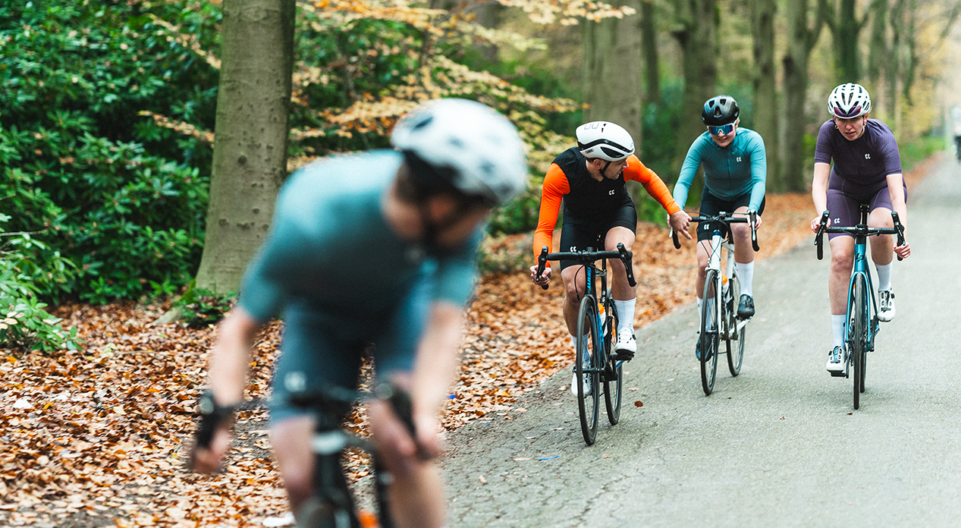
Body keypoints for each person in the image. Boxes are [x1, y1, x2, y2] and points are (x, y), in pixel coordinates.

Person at [188, 99, 527, 528]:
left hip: (404, 305)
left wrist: (422, 414)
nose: (483, 222)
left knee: (400, 440)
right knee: (299, 474)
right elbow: (239, 329)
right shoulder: (312, 219)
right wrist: (217, 420)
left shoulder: (458, 228)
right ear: (444, 204)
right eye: (483, 209)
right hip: (321, 317)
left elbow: (442, 327)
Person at [529, 121, 687, 394]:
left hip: (617, 215)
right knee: (574, 289)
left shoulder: (624, 163)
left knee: (618, 253)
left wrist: (673, 210)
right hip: (579, 225)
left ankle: (625, 329)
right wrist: (541, 264)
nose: (626, 165)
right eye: (620, 162)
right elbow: (544, 229)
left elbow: (649, 178)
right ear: (598, 163)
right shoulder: (561, 172)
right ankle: (582, 360)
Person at [810, 83, 911, 374]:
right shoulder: (828, 133)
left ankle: (885, 288)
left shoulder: (882, 137)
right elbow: (819, 182)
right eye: (841, 119)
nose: (848, 126)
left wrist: (901, 233)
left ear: (866, 116)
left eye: (854, 118)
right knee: (841, 258)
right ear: (834, 118)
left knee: (879, 225)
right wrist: (822, 214)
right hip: (843, 191)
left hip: (881, 190)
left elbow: (896, 194)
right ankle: (838, 346)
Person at [671, 95, 766, 360]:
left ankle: (745, 294)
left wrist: (753, 209)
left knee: (740, 229)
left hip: (746, 197)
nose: (721, 134)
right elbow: (683, 181)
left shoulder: (752, 141)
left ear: (737, 123)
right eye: (714, 129)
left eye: (726, 128)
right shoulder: (701, 145)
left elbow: (759, 180)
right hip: (713, 199)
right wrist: (676, 209)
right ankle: (706, 327)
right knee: (704, 265)